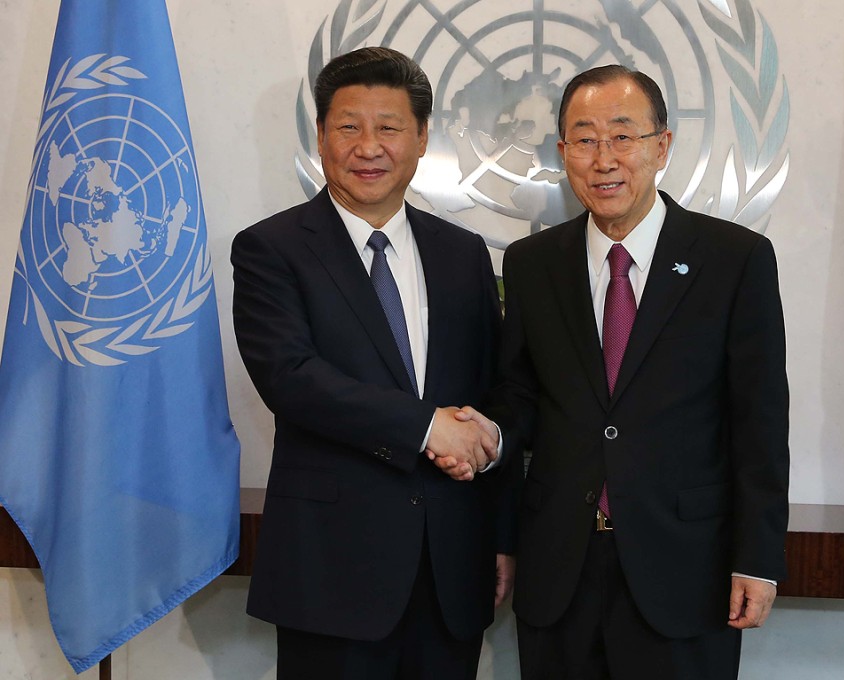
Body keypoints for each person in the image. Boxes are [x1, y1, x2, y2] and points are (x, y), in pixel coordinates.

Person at [458, 64, 790, 679]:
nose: (603, 158)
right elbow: (520, 394)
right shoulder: (534, 265)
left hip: (687, 569)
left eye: (622, 135)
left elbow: (760, 421)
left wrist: (758, 558)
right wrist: (488, 437)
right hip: (561, 566)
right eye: (584, 139)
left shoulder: (733, 259)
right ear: (563, 154)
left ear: (661, 146)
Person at [231, 47, 515, 680]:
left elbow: (494, 389)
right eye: (348, 126)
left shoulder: (463, 254)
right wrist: (427, 428)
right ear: (321, 136)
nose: (368, 146)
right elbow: (291, 378)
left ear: (420, 140)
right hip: (331, 573)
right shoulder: (270, 249)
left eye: (388, 127)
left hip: (451, 567)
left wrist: (491, 457)